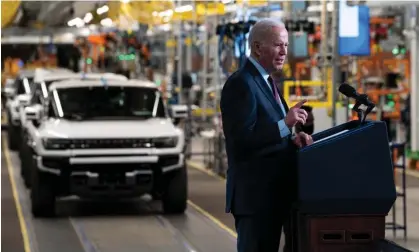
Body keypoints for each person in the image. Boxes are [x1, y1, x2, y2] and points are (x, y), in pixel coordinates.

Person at [220, 18, 313, 252]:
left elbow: (268, 135)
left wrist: (292, 140)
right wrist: (285, 124)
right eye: (278, 45)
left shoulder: (267, 82)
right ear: (258, 47)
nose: (284, 52)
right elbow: (241, 140)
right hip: (255, 199)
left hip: (274, 196)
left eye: (286, 46)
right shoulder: (241, 83)